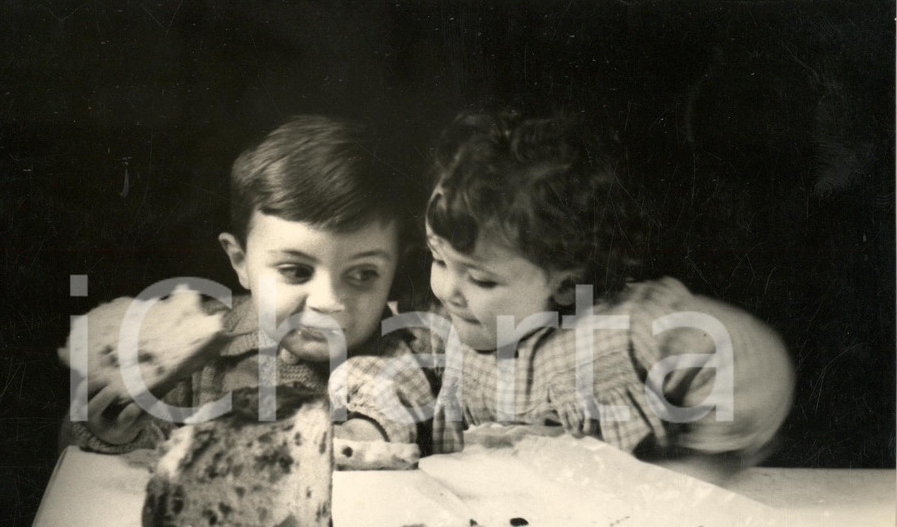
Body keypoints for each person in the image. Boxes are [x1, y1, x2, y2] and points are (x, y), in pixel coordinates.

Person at [334, 108, 795, 476]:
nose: (448, 290)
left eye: (481, 279)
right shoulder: (444, 330)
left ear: (565, 282)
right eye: (439, 259)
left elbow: (748, 357)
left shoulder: (622, 330)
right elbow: (398, 373)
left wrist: (707, 460)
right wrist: (369, 430)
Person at [61, 114, 415, 453]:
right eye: (295, 271)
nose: (328, 301)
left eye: (363, 274)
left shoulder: (408, 355)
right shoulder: (193, 355)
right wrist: (113, 435)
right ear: (240, 261)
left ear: (395, 267)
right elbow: (99, 465)